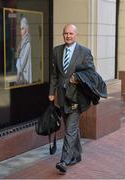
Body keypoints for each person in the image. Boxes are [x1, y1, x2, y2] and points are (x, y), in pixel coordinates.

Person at [48, 24, 106, 174]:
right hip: (61, 96)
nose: (68, 36)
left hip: (77, 98)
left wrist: (79, 79)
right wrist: (51, 92)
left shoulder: (85, 52)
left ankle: (64, 161)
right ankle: (77, 154)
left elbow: (91, 73)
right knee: (70, 128)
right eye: (65, 33)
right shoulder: (56, 50)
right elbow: (54, 74)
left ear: (76, 35)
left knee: (71, 128)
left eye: (71, 33)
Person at [16, 17, 32, 84]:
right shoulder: (21, 43)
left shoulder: (27, 44)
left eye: (22, 28)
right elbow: (18, 58)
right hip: (21, 74)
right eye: (20, 29)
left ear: (26, 29)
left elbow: (23, 62)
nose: (21, 31)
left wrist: (17, 78)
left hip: (24, 76)